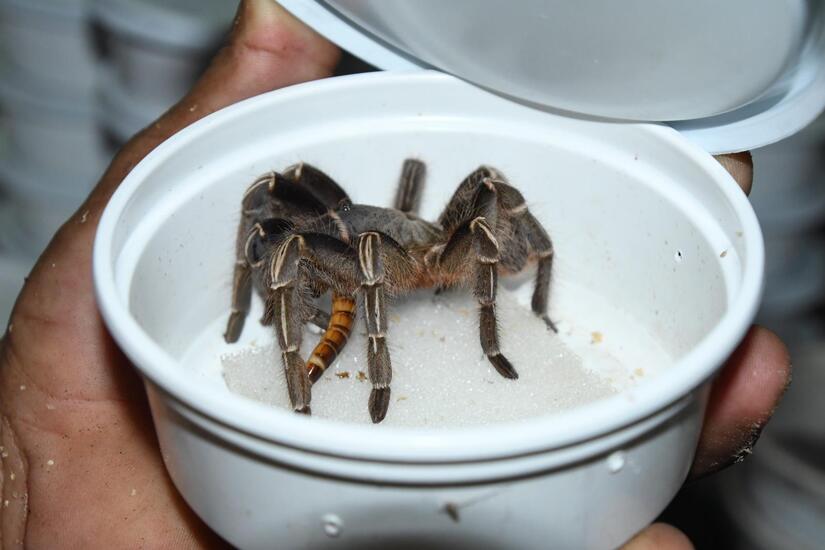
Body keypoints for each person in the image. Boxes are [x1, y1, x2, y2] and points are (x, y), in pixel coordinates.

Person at [0, 1, 790, 547]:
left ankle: (469, 350)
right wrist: (248, 312)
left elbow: (470, 219)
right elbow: (295, 222)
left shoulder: (428, 243)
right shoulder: (334, 232)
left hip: (437, 256)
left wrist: (509, 312)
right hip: (376, 248)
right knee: (276, 191)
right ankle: (278, 351)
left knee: (477, 196)